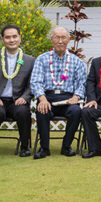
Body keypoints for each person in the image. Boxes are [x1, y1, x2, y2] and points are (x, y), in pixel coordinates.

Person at [0, 25, 35, 157]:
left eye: (15, 36)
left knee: (23, 112)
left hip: (17, 100)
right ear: (3, 39)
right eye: (8, 37)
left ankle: (25, 147)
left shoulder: (29, 60)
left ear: (20, 38)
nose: (11, 40)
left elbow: (32, 84)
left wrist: (25, 97)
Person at [30, 26, 87, 159]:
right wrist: (42, 98)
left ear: (69, 40)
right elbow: (35, 81)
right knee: (42, 110)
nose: (60, 41)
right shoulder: (42, 59)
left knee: (76, 111)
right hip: (47, 97)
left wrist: (76, 96)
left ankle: (66, 146)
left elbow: (82, 83)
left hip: (68, 99)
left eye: (63, 38)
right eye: (57, 37)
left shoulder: (76, 61)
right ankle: (44, 148)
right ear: (52, 40)